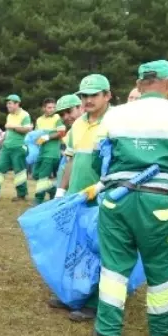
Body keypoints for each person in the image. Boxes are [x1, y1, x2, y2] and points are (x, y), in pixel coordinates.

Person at [84, 60, 168, 336]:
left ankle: (107, 330)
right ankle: (163, 331)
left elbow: (95, 160)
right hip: (160, 203)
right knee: (163, 268)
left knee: (113, 267)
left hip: (116, 201)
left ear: (139, 84)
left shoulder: (115, 116)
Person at [51, 76, 113, 320]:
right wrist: (61, 191)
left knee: (100, 248)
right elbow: (71, 159)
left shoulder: (115, 122)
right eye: (84, 96)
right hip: (78, 197)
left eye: (93, 95)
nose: (88, 100)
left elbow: (119, 163)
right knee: (76, 245)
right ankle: (74, 295)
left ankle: (95, 302)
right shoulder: (77, 125)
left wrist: (101, 186)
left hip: (103, 198)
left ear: (107, 95)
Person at [0, 94, 31, 200]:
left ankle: (21, 195)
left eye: (10, 103)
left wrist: (13, 127)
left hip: (18, 147)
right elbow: (8, 130)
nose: (7, 105)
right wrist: (3, 139)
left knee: (19, 171)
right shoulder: (9, 115)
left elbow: (27, 129)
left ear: (17, 104)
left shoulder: (25, 115)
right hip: (6, 147)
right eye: (7, 103)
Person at [32, 98, 67, 203]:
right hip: (40, 152)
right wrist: (34, 141)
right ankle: (53, 190)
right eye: (49, 107)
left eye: (53, 107)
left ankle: (38, 199)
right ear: (43, 108)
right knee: (36, 175)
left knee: (43, 177)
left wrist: (47, 137)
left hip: (51, 153)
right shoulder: (39, 120)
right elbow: (36, 134)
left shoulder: (57, 118)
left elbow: (62, 132)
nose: (52, 109)